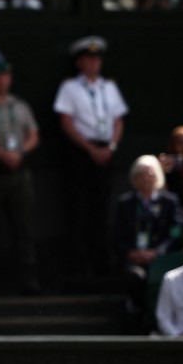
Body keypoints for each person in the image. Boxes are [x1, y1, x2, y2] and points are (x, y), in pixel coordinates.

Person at [53, 35, 128, 278]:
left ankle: (103, 267)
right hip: (81, 154)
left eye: (97, 59)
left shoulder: (109, 87)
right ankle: (79, 269)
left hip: (107, 152)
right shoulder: (70, 88)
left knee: (102, 210)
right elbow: (66, 121)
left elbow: (118, 119)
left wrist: (112, 146)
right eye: (89, 59)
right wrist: (89, 149)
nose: (94, 63)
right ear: (79, 62)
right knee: (79, 211)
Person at [0, 60, 39, 295]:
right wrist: (1, 154)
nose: (1, 81)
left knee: (23, 228)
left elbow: (33, 134)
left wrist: (20, 153)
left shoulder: (20, 106)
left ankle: (28, 280)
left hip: (19, 173)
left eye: (5, 76)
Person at [115, 155, 182, 315]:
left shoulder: (169, 202)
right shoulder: (125, 203)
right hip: (135, 258)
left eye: (150, 175)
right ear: (134, 178)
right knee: (135, 276)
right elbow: (117, 235)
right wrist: (130, 253)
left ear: (157, 176)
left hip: (161, 258)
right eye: (141, 175)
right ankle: (137, 311)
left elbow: (176, 232)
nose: (146, 179)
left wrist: (157, 252)